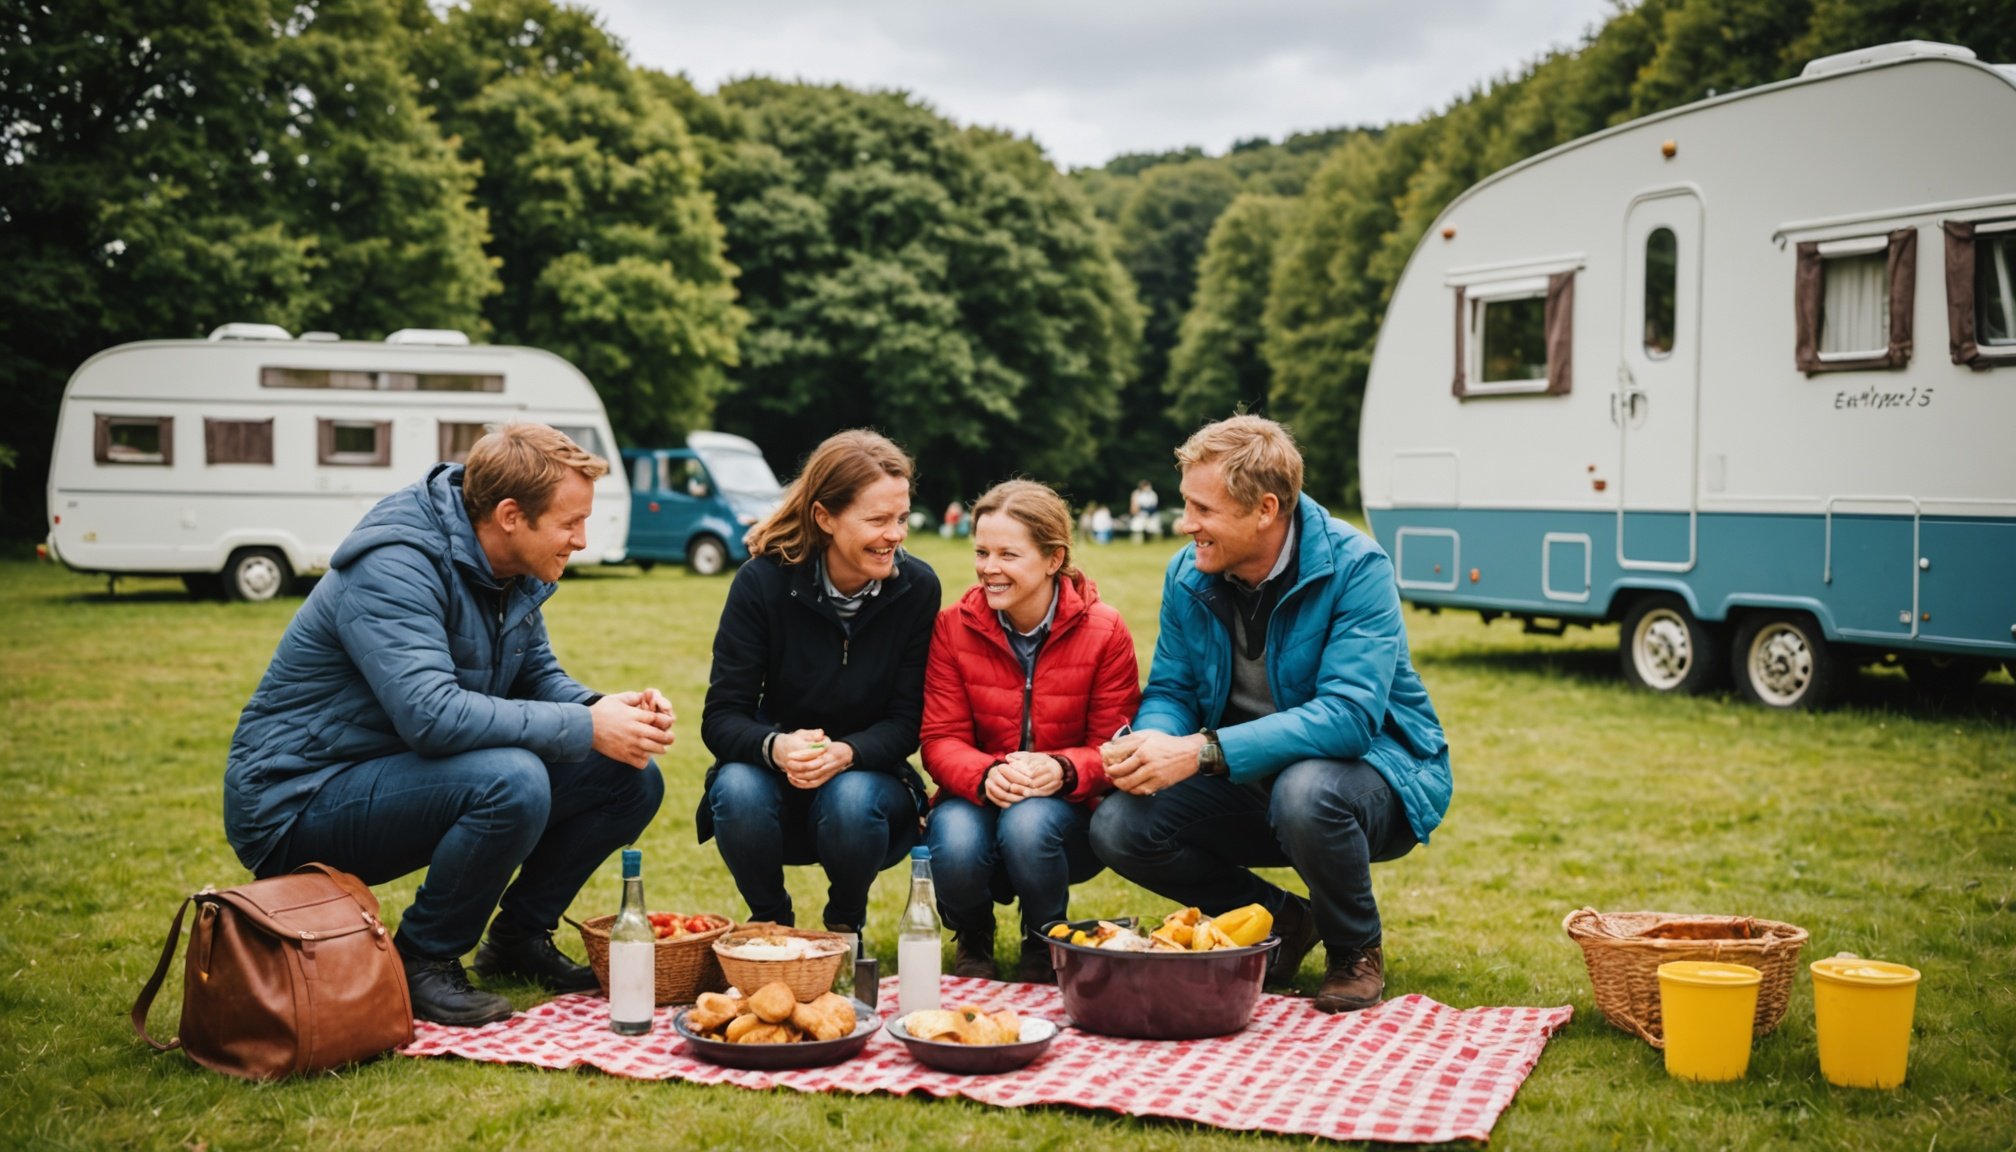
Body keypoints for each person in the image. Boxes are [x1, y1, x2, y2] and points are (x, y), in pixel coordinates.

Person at [225, 424, 672, 1026]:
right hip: (297, 799)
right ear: (511, 514)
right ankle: (423, 958)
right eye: (571, 523)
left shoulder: (505, 567)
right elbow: (431, 716)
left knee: (628, 776)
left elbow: (536, 678)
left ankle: (518, 939)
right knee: (511, 780)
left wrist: (606, 712)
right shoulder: (396, 564)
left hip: (393, 775)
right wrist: (583, 725)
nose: (582, 541)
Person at [1091, 415, 1450, 1014]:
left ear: (1264, 508)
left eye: (1203, 509)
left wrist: (1201, 751)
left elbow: (1348, 716)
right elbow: (1173, 686)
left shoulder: (1357, 568)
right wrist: (1154, 739)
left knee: (1305, 790)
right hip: (1249, 777)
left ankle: (1353, 948)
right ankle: (1285, 921)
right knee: (1117, 824)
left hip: (1375, 776)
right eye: (1186, 505)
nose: (1187, 525)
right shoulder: (1188, 572)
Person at [699, 430, 941, 941]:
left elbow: (907, 722)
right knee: (736, 788)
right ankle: (770, 922)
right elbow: (722, 716)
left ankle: (844, 923)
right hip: (774, 778)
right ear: (825, 517)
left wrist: (847, 752)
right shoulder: (762, 582)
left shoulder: (918, 588)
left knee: (851, 799)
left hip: (871, 784)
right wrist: (777, 746)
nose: (895, 535)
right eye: (877, 520)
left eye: (901, 518)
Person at [919, 480, 1141, 983]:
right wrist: (986, 774)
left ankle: (1045, 939)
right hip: (973, 794)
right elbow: (939, 738)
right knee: (951, 837)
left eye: (1007, 554)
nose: (988, 568)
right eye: (981, 552)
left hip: (1066, 807)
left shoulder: (1105, 630)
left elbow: (1115, 746)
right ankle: (972, 933)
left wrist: (1061, 769)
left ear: (1052, 558)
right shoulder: (952, 626)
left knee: (1028, 823)